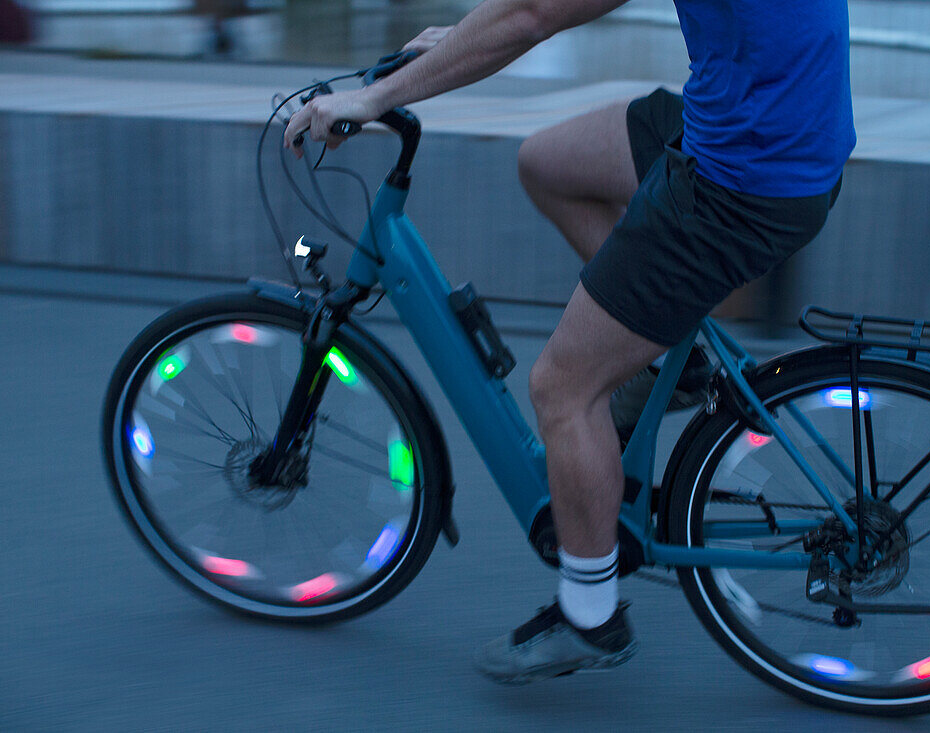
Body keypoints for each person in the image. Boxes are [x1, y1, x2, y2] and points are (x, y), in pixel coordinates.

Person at [284, 0, 855, 684]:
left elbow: (531, 15)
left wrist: (376, 98)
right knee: (548, 163)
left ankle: (591, 614)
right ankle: (678, 356)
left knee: (562, 388)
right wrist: (460, 40)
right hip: (764, 129)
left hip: (743, 178)